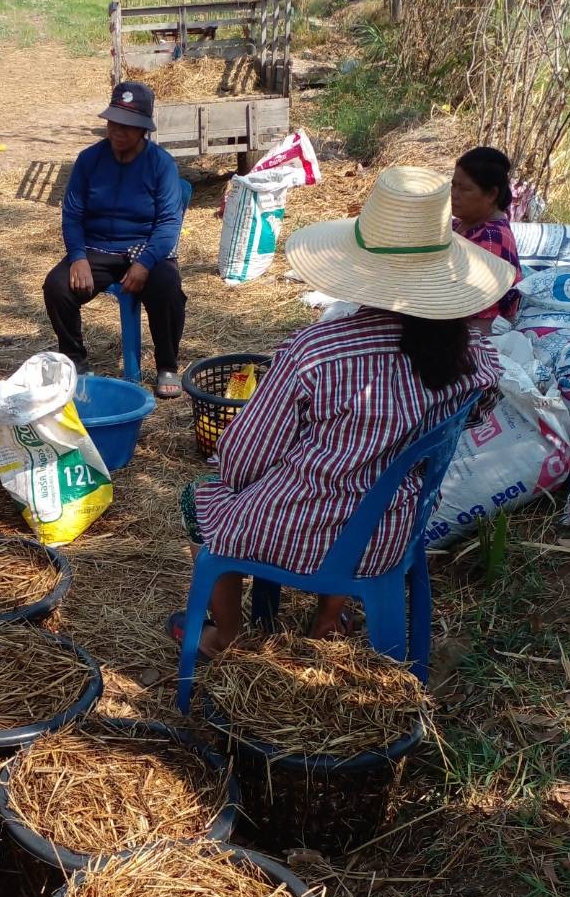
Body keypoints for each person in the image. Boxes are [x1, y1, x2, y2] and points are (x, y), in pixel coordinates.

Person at [169, 166, 512, 659]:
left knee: (203, 503)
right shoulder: (469, 355)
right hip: (393, 532)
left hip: (306, 532)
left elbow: (243, 459)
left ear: (359, 268)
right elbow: (480, 408)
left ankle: (226, 638)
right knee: (368, 483)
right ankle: (329, 618)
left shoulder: (319, 351)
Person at [43, 81, 187, 399]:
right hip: (96, 250)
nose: (118, 131)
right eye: (113, 122)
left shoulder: (161, 164)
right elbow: (72, 214)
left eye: (128, 126)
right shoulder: (88, 160)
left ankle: (167, 365)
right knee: (56, 286)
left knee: (168, 288)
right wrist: (78, 256)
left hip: (144, 248)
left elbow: (168, 224)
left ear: (143, 130)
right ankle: (75, 361)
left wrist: (146, 263)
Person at [451, 146, 523, 324]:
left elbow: (469, 304)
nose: (453, 194)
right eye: (453, 185)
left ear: (491, 194)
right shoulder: (460, 224)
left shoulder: (492, 239)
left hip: (477, 332)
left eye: (464, 189)